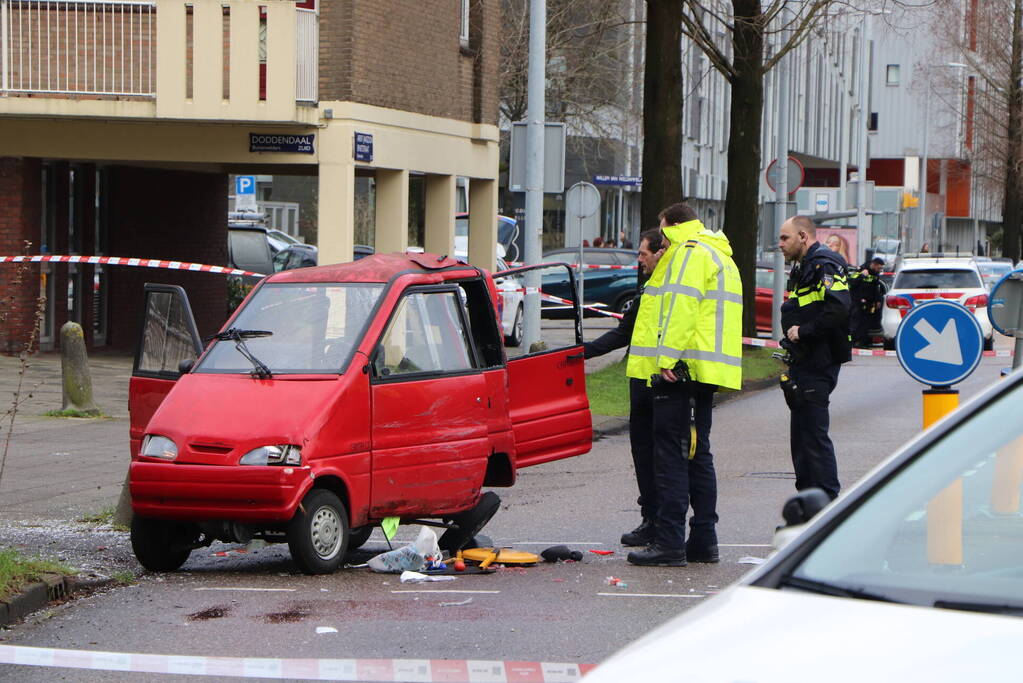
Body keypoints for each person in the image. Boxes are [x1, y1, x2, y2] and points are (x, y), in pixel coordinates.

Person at [624, 203, 742, 566]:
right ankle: (704, 540)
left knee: (672, 459)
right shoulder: (719, 253)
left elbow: (681, 308)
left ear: (672, 226)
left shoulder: (689, 253)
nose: (661, 241)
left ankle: (670, 542)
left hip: (681, 370)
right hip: (705, 371)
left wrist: (667, 358)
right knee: (697, 455)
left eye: (663, 232)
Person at [583, 229, 665, 547]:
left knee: (662, 458)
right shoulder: (648, 288)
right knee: (643, 454)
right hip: (640, 383)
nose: (639, 260)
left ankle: (664, 525)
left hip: (664, 385)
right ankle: (651, 520)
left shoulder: (671, 288)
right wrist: (583, 352)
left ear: (659, 253)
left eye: (643, 254)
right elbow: (624, 332)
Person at [778, 215, 852, 500]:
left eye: (785, 238)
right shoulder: (804, 266)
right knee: (802, 439)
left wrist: (803, 331)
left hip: (818, 361)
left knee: (813, 439)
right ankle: (808, 504)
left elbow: (838, 307)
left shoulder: (824, 264)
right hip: (804, 360)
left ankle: (827, 505)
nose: (780, 244)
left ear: (803, 237)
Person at [847, 257, 885, 348]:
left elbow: (876, 288)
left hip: (869, 303)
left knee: (866, 323)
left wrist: (877, 300)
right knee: (856, 323)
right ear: (874, 264)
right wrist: (861, 276)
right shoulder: (860, 270)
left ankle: (862, 342)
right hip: (857, 301)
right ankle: (852, 342)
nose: (879, 270)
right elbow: (851, 284)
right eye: (879, 268)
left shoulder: (875, 274)